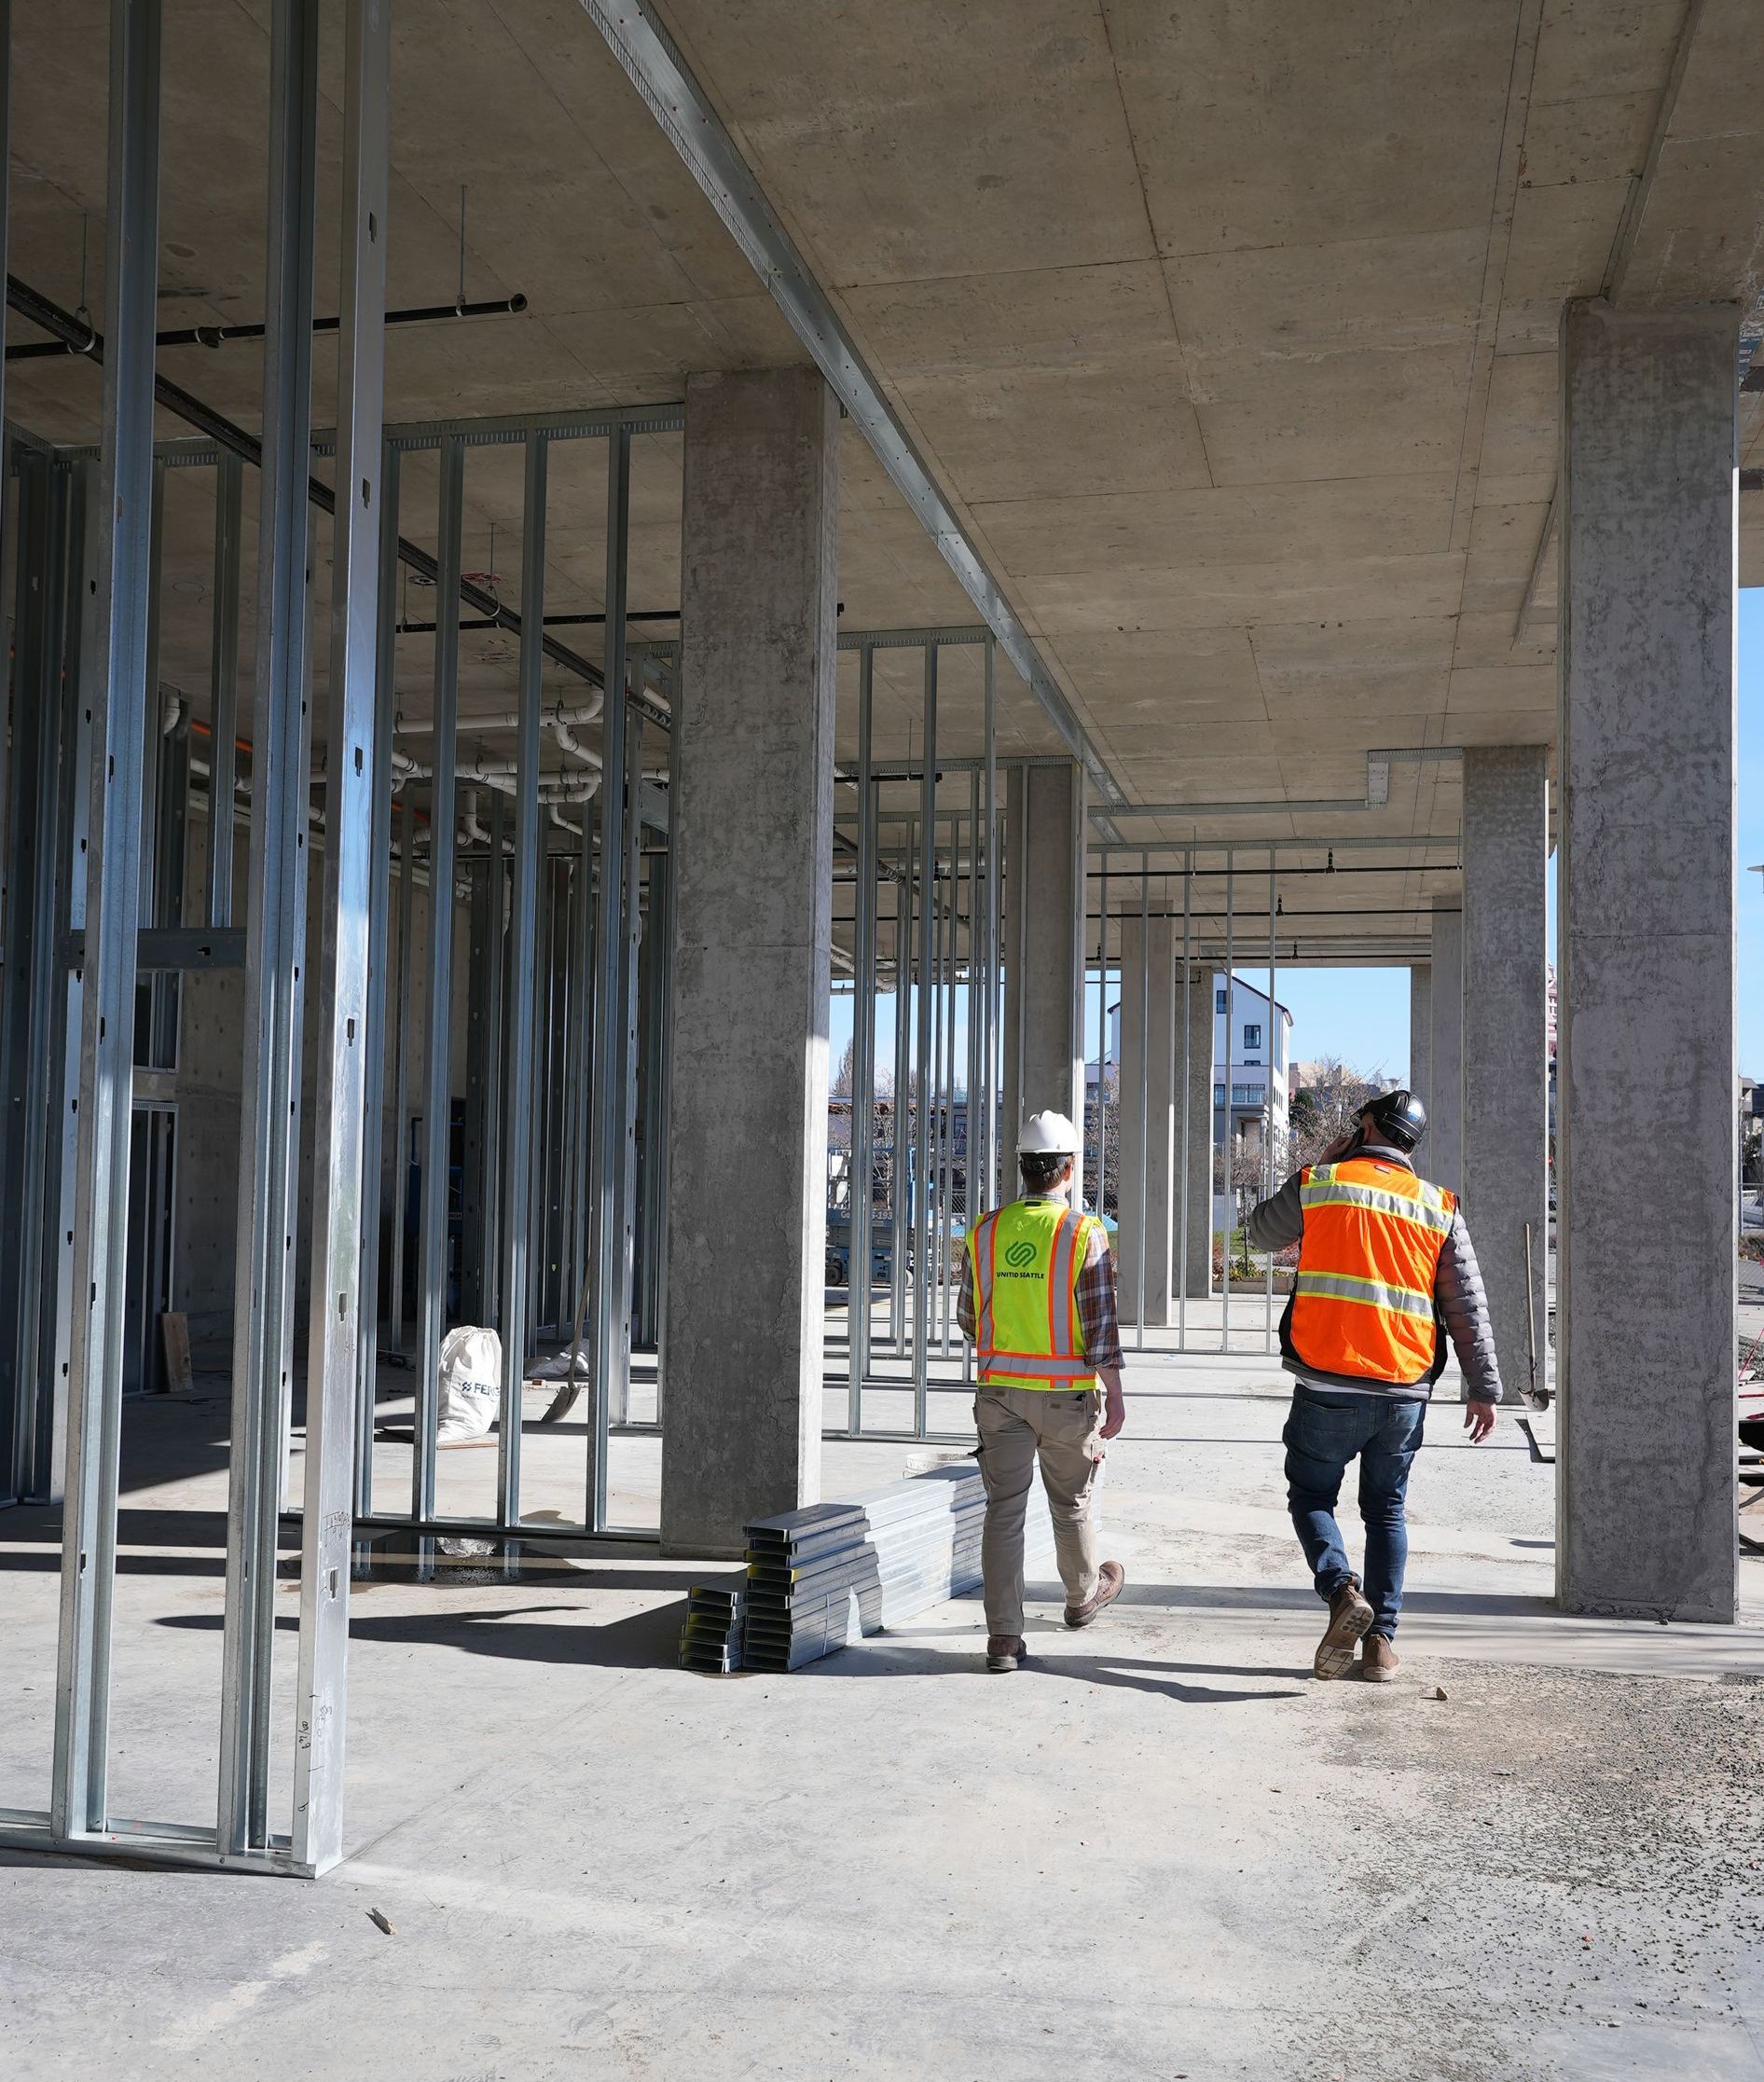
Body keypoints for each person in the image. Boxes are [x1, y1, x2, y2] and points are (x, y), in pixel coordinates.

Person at [1247, 1088, 1502, 1684]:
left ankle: (1341, 1593)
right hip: (1404, 1387)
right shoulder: (1438, 1205)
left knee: (1311, 1497)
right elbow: (1466, 1302)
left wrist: (1322, 1165)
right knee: (1386, 1510)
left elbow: (1260, 1232)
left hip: (1328, 1380)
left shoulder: (1321, 1182)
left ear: (1365, 1128)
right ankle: (1381, 1645)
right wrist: (1482, 1386)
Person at [958, 1110, 1127, 1673]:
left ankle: (1004, 1638)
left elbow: (967, 1317)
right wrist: (1117, 1393)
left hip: (1000, 1394)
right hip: (1065, 1398)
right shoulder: (1084, 1232)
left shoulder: (984, 1230)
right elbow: (1100, 1327)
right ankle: (1081, 1599)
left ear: (1024, 1167)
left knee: (1003, 1511)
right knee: (1071, 1502)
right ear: (1069, 1168)